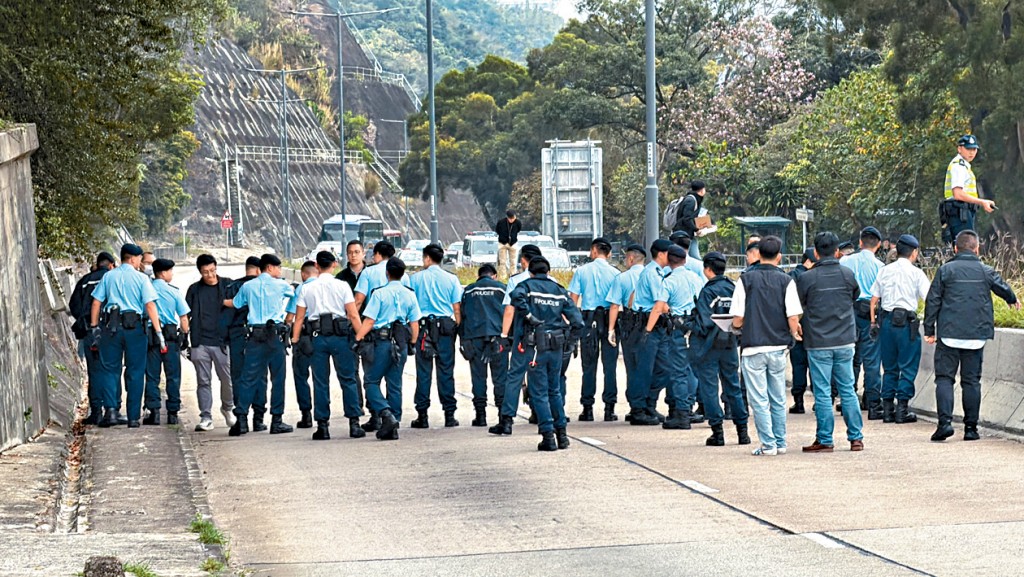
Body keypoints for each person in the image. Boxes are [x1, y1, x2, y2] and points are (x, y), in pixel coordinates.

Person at [925, 230, 1019, 442]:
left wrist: (929, 330)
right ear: (977, 249)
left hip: (949, 335)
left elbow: (933, 300)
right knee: (971, 382)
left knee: (944, 379)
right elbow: (1002, 287)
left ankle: (944, 424)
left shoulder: (945, 270)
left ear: (955, 248)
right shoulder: (985, 270)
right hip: (976, 336)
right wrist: (1012, 299)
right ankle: (971, 429)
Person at [730, 236, 802, 456]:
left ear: (758, 254)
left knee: (759, 400)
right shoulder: (786, 280)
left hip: (753, 346)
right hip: (778, 347)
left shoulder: (745, 280)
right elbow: (793, 316)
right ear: (779, 256)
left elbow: (737, 318)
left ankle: (768, 444)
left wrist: (736, 327)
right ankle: (780, 442)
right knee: (778, 397)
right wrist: (794, 333)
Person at [505, 256, 584, 451]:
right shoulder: (559, 290)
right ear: (548, 272)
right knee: (554, 390)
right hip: (556, 345)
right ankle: (562, 435)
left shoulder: (526, 286)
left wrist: (529, 316)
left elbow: (516, 298)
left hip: (535, 347)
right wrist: (569, 342)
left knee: (539, 392)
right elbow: (578, 322)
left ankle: (548, 435)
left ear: (530, 272)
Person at [796, 232, 864, 453]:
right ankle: (856, 438)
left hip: (818, 342)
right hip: (845, 340)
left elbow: (799, 304)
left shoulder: (806, 278)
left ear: (816, 253)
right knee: (848, 390)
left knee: (823, 392)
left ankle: (825, 439)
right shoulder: (847, 274)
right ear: (837, 252)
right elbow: (855, 295)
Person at [291, 251, 364, 440]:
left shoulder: (307, 288)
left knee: (320, 382)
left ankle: (322, 427)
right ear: (334, 265)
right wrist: (361, 337)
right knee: (348, 379)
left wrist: (295, 340)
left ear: (316, 266)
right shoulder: (342, 285)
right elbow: (353, 314)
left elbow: (299, 318)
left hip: (317, 338)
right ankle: (354, 424)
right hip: (341, 337)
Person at [88, 243, 162, 428]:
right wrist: (158, 332)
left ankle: (111, 411)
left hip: (111, 328)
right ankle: (133, 417)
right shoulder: (141, 278)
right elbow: (150, 305)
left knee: (110, 369)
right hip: (135, 329)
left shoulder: (108, 276)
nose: (140, 263)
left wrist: (94, 327)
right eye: (139, 259)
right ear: (133, 258)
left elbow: (96, 302)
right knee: (135, 371)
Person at [225, 254, 295, 437]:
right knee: (278, 378)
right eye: (278, 267)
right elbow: (296, 296)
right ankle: (276, 420)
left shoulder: (248, 286)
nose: (280, 271)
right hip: (275, 335)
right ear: (270, 267)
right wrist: (289, 316)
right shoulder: (281, 285)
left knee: (248, 378)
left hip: (254, 335)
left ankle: (241, 420)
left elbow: (236, 303)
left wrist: (221, 301)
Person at [353, 258, 421, 441]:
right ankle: (394, 425)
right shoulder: (410, 294)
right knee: (395, 384)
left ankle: (385, 413)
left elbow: (369, 321)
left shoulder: (379, 294)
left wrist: (358, 338)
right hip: (401, 342)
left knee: (371, 382)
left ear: (387, 273)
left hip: (381, 343)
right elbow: (414, 323)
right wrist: (412, 343)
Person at [689, 252, 750, 446]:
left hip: (708, 346)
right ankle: (743, 432)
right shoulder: (733, 287)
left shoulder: (708, 292)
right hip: (730, 344)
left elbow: (704, 323)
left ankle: (718, 432)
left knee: (709, 389)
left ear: (707, 269)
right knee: (733, 387)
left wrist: (686, 324)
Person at [869, 235, 931, 424]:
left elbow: (874, 300)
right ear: (914, 252)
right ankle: (902, 410)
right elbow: (929, 299)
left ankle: (887, 410)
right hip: (906, 324)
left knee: (889, 367)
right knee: (908, 366)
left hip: (886, 322)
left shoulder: (884, 271)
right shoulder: (917, 274)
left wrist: (873, 323)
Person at [645, 244, 701, 430]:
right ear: (684, 259)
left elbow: (658, 307)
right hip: (695, 328)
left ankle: (682, 414)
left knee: (678, 372)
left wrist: (648, 330)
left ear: (669, 260)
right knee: (691, 369)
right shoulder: (695, 278)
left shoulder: (669, 281)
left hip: (677, 329)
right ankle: (689, 406)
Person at [488, 244, 543, 435]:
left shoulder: (516, 281)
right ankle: (540, 414)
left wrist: (503, 336)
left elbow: (509, 310)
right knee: (541, 376)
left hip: (523, 338)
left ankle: (507, 421)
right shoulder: (552, 281)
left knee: (514, 377)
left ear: (524, 261)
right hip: (547, 339)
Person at [409, 244, 463, 429]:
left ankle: (422, 415)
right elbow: (457, 309)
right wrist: (457, 328)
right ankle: (449, 414)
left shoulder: (415, 279)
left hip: (423, 329)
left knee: (423, 373)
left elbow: (411, 306)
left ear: (427, 258)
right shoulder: (452, 279)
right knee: (446, 371)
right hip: (445, 330)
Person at [568, 238, 620, 422]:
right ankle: (609, 409)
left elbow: (573, 300)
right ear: (609, 253)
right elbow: (617, 303)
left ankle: (587, 408)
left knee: (588, 366)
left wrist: (573, 324)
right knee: (610, 366)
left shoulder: (581, 271)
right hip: (609, 319)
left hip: (588, 320)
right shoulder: (616, 273)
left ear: (594, 251)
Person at [185, 254, 236, 432]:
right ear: (200, 272)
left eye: (212, 270)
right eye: (206, 272)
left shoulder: (228, 285)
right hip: (200, 342)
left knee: (227, 379)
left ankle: (228, 407)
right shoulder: (194, 290)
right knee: (203, 381)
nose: (210, 275)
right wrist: (185, 339)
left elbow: (239, 306)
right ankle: (206, 416)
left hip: (222, 341)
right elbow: (186, 315)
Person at [841, 226, 885, 419]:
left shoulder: (845, 261)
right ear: (879, 244)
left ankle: (848, 401)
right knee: (872, 360)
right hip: (870, 315)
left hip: (848, 312)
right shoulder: (880, 266)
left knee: (850, 357)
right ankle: (873, 404)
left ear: (860, 242)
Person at [69, 251, 116, 425]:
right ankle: (112, 410)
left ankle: (96, 411)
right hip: (110, 331)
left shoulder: (85, 280)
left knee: (94, 370)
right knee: (111, 370)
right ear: (111, 265)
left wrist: (84, 320)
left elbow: (74, 305)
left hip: (90, 331)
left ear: (98, 264)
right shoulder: (113, 279)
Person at [629, 239, 672, 426]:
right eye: (669, 253)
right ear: (661, 254)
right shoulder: (652, 273)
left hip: (656, 326)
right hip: (648, 325)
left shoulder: (659, 272)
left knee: (664, 368)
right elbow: (660, 304)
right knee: (644, 369)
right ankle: (638, 409)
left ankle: (649, 403)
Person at [142, 259, 190, 426]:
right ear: (163, 273)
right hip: (170, 338)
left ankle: (154, 412)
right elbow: (184, 318)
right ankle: (172, 414)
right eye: (170, 271)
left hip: (151, 338)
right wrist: (185, 336)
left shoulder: (146, 289)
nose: (172, 274)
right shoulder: (174, 291)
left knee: (152, 376)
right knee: (173, 376)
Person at [460, 264, 508, 426]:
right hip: (498, 339)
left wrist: (463, 339)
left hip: (474, 338)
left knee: (478, 377)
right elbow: (510, 313)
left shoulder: (469, 290)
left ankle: (480, 416)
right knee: (500, 378)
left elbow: (462, 314)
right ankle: (502, 415)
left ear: (478, 276)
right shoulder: (502, 289)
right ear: (494, 275)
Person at [604, 244, 647, 423]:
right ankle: (648, 404)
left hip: (630, 324)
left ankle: (635, 406)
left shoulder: (622, 278)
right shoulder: (653, 275)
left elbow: (614, 305)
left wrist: (611, 330)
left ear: (630, 258)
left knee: (632, 366)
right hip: (651, 323)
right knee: (649, 364)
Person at [227, 256, 261, 425]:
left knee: (238, 374)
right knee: (259, 374)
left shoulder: (232, 287)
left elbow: (226, 314)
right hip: (258, 333)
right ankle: (258, 418)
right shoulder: (261, 286)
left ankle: (241, 418)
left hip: (236, 334)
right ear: (259, 270)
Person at [942, 134, 994, 243]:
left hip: (962, 212)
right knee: (966, 245)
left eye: (974, 149)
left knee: (967, 244)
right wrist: (982, 202)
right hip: (959, 212)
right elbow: (958, 194)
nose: (971, 152)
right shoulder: (958, 166)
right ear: (959, 149)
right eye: (968, 149)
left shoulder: (964, 166)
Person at [285, 261, 317, 429]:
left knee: (301, 376)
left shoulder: (301, 289)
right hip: (323, 335)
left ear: (303, 274)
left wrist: (292, 337)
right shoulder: (327, 286)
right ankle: (323, 416)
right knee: (321, 378)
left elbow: (292, 317)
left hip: (303, 336)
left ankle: (306, 415)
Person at [787, 247, 816, 414]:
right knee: (815, 365)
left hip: (796, 324)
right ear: (809, 261)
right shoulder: (814, 277)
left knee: (798, 365)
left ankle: (798, 402)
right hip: (814, 327)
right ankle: (818, 400)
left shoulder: (791, 276)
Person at [672, 180, 708, 260]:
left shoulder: (694, 199)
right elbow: (687, 218)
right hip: (683, 235)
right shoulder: (691, 200)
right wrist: (696, 229)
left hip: (690, 234)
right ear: (702, 190)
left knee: (696, 258)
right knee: (686, 257)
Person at [495, 210, 522, 278]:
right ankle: (503, 276)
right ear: (507, 218)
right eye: (511, 218)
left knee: (513, 261)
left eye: (513, 218)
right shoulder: (501, 222)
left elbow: (519, 230)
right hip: (502, 243)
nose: (512, 220)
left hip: (513, 243)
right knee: (502, 261)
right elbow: (497, 230)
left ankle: (513, 275)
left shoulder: (518, 222)